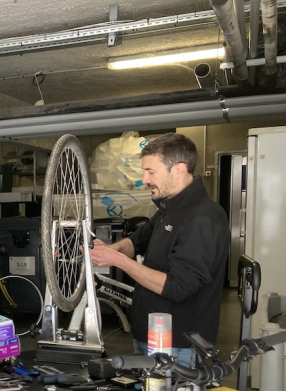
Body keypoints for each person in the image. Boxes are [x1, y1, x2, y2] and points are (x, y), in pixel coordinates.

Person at [90, 133, 229, 367]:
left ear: (178, 169)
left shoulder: (202, 219)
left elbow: (177, 287)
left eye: (151, 172)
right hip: (151, 335)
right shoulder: (169, 209)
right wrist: (109, 250)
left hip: (179, 346)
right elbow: (136, 242)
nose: (144, 179)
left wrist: (118, 260)